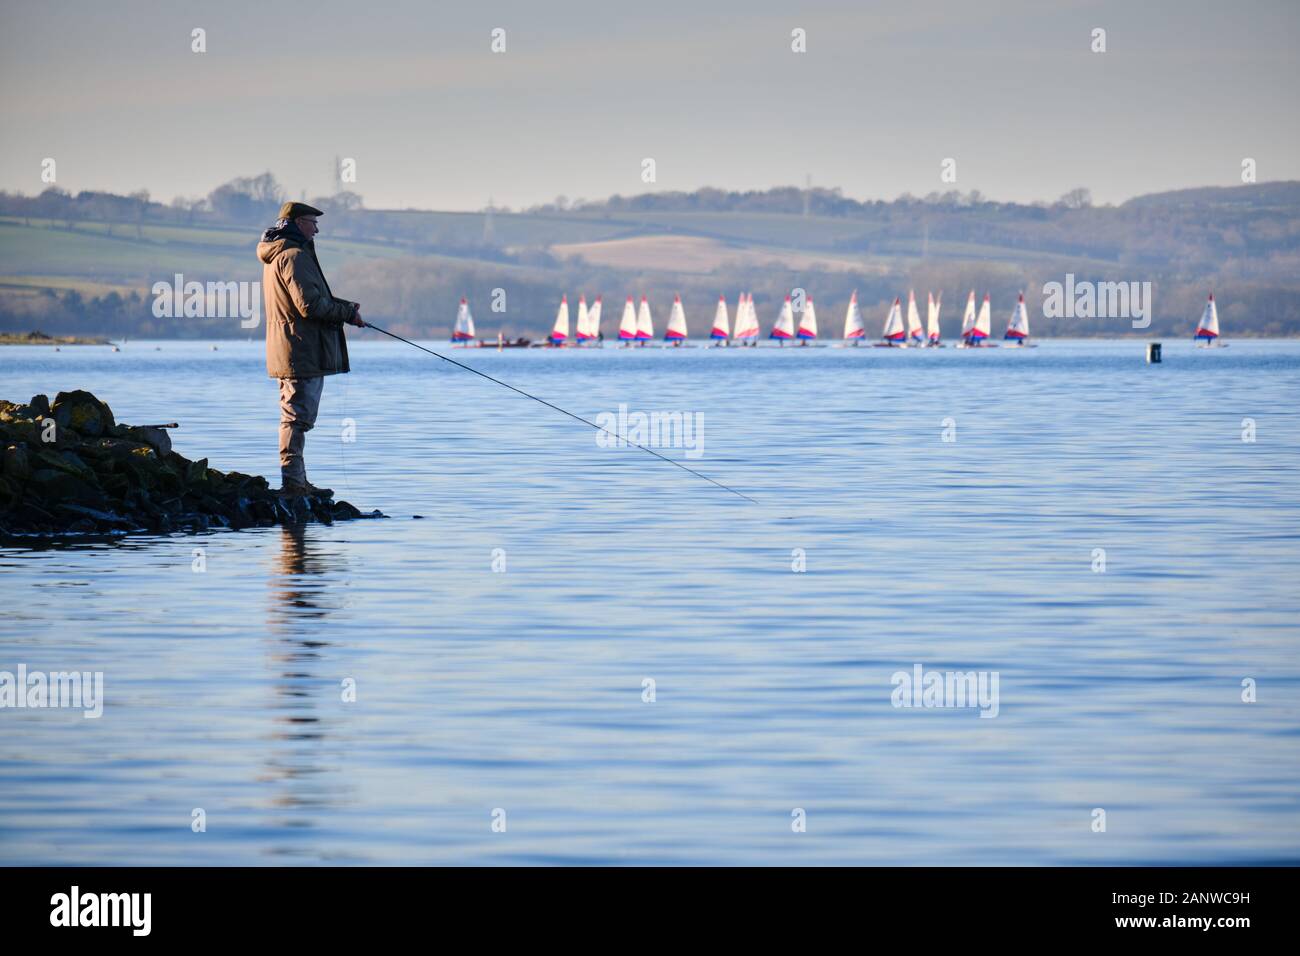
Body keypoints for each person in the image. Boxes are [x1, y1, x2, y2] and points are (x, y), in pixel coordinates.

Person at [257, 201, 366, 497]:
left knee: (296, 417)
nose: (316, 229)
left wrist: (346, 308)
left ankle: (297, 480)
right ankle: (293, 484)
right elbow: (309, 305)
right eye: (312, 222)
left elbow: (308, 300)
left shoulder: (278, 255)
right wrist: (347, 314)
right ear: (297, 223)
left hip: (293, 348)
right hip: (301, 350)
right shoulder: (293, 256)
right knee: (297, 418)